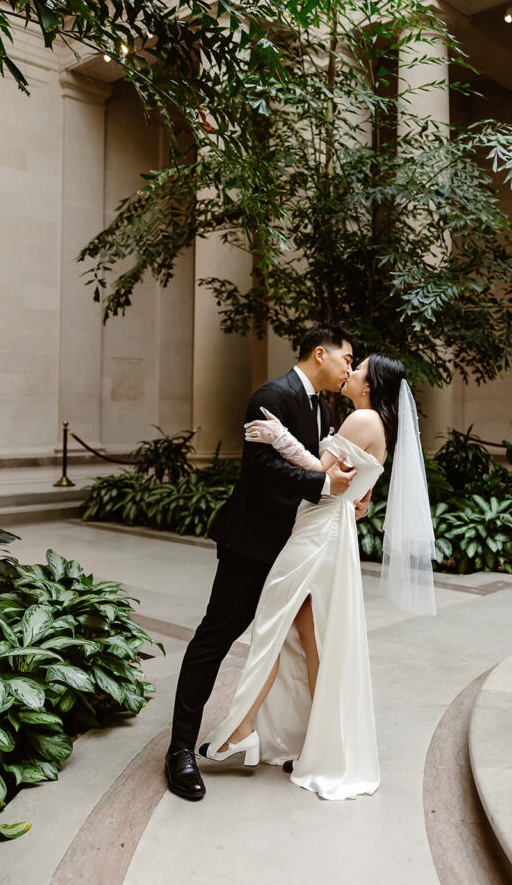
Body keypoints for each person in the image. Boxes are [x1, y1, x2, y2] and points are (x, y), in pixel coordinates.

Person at [198, 354, 436, 801]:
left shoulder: (363, 418)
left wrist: (280, 437)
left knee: (273, 620)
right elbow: (354, 491)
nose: (351, 371)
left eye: (358, 366)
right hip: (326, 529)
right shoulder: (372, 421)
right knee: (306, 636)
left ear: (371, 383)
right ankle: (309, 737)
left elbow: (318, 474)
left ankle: (244, 730)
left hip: (317, 534)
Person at [164, 323, 365, 801]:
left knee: (304, 646)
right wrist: (323, 487)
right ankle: (180, 750)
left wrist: (349, 496)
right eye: (346, 359)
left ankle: (299, 743)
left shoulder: (322, 405)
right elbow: (260, 468)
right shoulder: (270, 394)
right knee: (216, 636)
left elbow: (324, 465)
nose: (348, 369)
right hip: (253, 544)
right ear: (321, 353)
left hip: (299, 548)